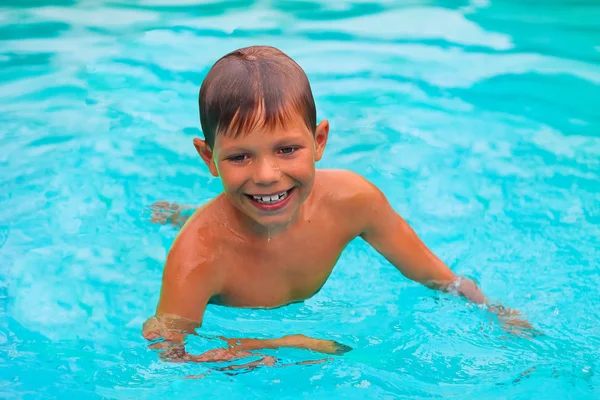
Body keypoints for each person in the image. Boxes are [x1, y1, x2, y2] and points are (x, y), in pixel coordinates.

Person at [143, 45, 534, 368]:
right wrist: (280, 342)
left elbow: (440, 279)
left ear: (319, 140)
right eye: (240, 157)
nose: (266, 174)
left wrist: (496, 311)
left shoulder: (352, 200)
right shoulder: (198, 255)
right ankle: (182, 215)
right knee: (202, 221)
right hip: (218, 241)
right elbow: (166, 349)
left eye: (287, 149)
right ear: (208, 158)